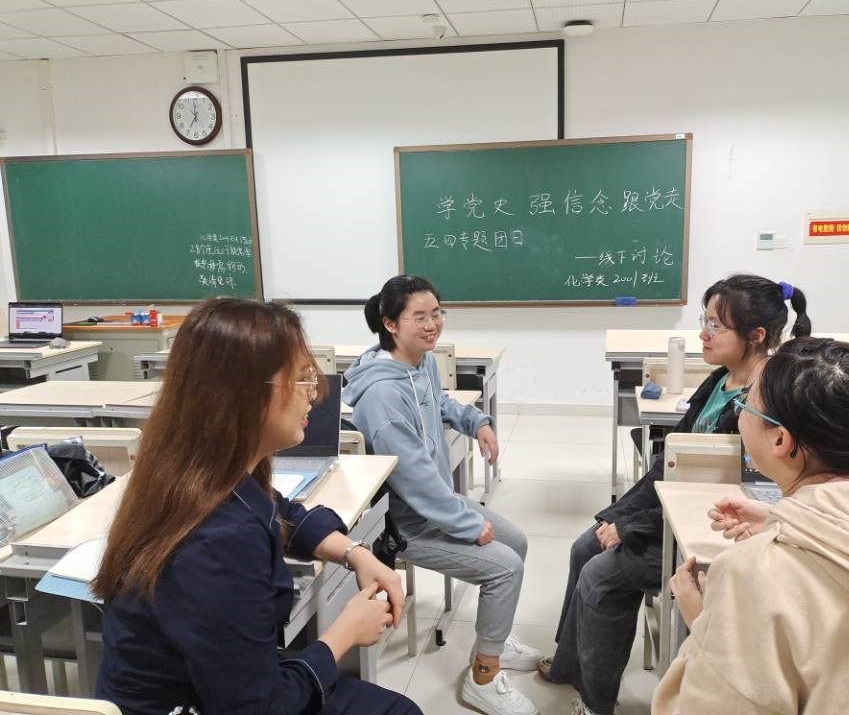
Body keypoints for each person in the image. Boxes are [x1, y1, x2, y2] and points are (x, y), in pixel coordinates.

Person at [94, 298, 421, 715]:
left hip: (214, 685)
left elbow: (280, 511)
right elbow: (258, 707)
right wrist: (344, 634)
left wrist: (354, 553)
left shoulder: (193, 471)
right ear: (244, 394)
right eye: (301, 379)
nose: (314, 395)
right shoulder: (220, 539)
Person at [542, 275, 811, 715]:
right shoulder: (721, 380)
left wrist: (631, 528)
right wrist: (619, 516)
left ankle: (595, 703)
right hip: (669, 513)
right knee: (584, 546)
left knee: (601, 577)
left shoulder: (764, 402)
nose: (703, 334)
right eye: (704, 321)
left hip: (708, 527)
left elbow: (722, 495)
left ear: (757, 335)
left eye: (716, 326)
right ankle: (570, 667)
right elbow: (670, 464)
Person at [655, 338, 849, 714]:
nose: (741, 412)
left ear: (780, 439)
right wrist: (782, 519)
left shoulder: (749, 574)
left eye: (746, 403)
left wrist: (704, 623)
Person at [343, 275, 541, 715]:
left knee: (517, 542)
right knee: (505, 568)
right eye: (419, 317)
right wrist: (468, 523)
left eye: (437, 314)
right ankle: (483, 677)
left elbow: (441, 403)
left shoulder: (421, 362)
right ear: (390, 324)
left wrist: (476, 421)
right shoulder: (382, 394)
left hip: (435, 505)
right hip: (404, 524)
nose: (432, 324)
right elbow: (414, 478)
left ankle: (494, 637)